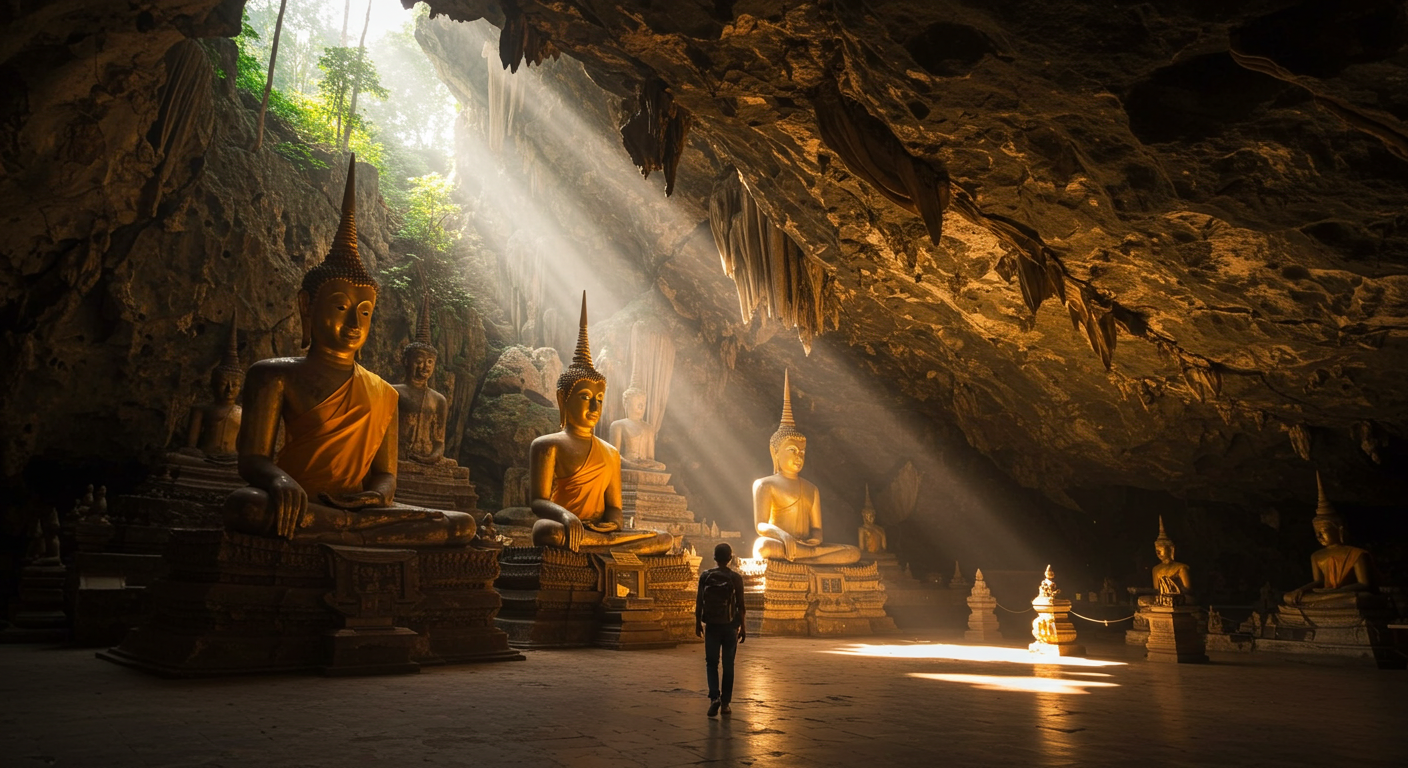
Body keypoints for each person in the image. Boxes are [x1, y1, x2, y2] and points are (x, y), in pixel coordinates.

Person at [696, 542, 747, 717]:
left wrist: (697, 623)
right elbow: (741, 605)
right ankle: (725, 703)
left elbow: (699, 602)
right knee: (728, 665)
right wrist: (743, 627)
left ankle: (714, 698)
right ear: (730, 558)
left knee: (711, 663)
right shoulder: (736, 578)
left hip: (712, 626)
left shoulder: (705, 575)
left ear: (715, 558)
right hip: (731, 626)